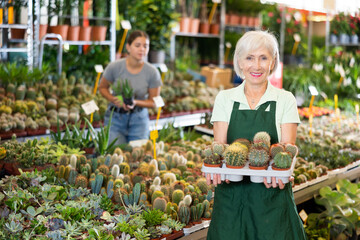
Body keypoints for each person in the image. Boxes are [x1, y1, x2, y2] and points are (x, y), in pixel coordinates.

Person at [206, 30, 306, 240]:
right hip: (231, 200)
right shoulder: (225, 98)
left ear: (273, 62)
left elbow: (287, 150)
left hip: (272, 199)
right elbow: (219, 147)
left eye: (263, 58)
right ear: (240, 62)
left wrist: (283, 172)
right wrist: (213, 169)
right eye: (249, 58)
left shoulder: (285, 99)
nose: (257, 66)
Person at [99, 30, 162, 145]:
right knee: (115, 156)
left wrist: (135, 102)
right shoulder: (115, 67)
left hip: (139, 119)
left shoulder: (152, 72)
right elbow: (102, 87)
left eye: (145, 46)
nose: (142, 49)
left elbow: (154, 102)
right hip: (115, 118)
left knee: (138, 155)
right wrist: (113, 99)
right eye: (137, 45)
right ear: (128, 47)